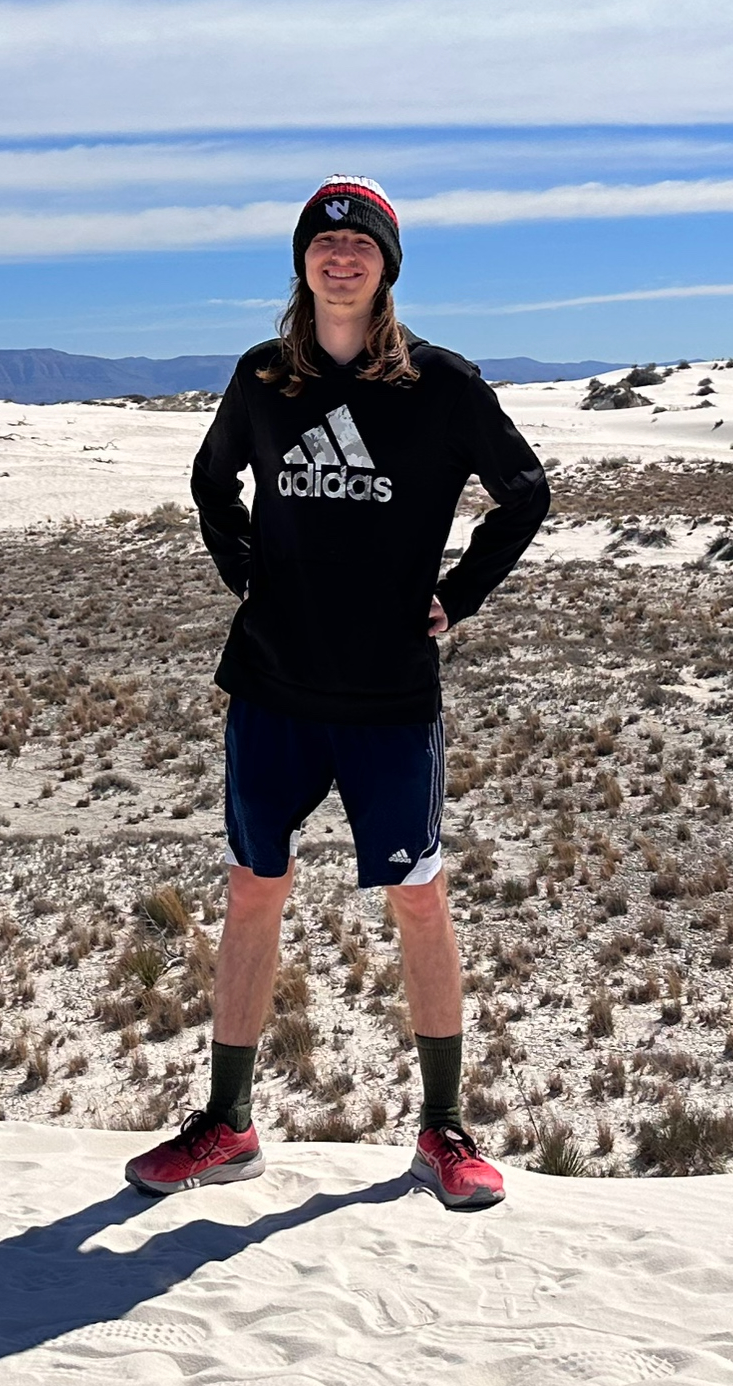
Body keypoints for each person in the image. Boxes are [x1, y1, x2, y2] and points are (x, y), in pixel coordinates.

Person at [124, 176, 549, 1210]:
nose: (342, 257)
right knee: (252, 890)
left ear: (387, 266)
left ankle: (442, 1131)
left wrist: (459, 597)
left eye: (362, 245)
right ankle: (227, 1125)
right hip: (273, 684)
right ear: (303, 261)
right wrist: (244, 573)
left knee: (419, 899)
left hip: (390, 696)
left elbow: (525, 492)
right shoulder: (265, 377)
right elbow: (211, 480)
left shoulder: (441, 386)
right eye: (325, 242)